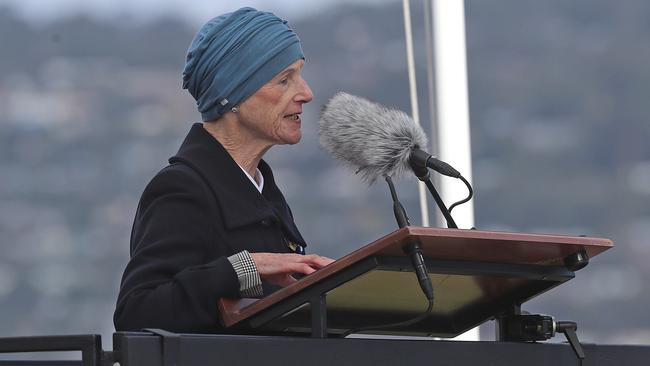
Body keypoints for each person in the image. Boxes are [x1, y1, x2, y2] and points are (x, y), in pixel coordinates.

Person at [114, 7, 334, 333]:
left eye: (300, 75)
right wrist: (244, 269)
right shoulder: (182, 189)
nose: (306, 93)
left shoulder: (263, 192)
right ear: (233, 95)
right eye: (285, 79)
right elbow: (137, 312)